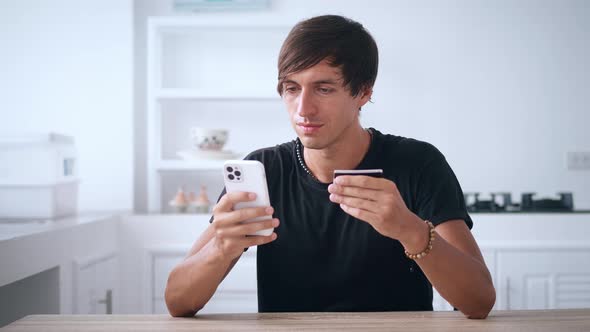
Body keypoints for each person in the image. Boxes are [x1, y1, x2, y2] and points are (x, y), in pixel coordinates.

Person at [165, 14, 496, 318]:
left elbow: (479, 301)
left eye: (323, 89)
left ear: (363, 93)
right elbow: (178, 302)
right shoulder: (263, 169)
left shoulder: (418, 163)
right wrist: (223, 246)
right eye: (292, 89)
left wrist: (410, 231)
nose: (303, 109)